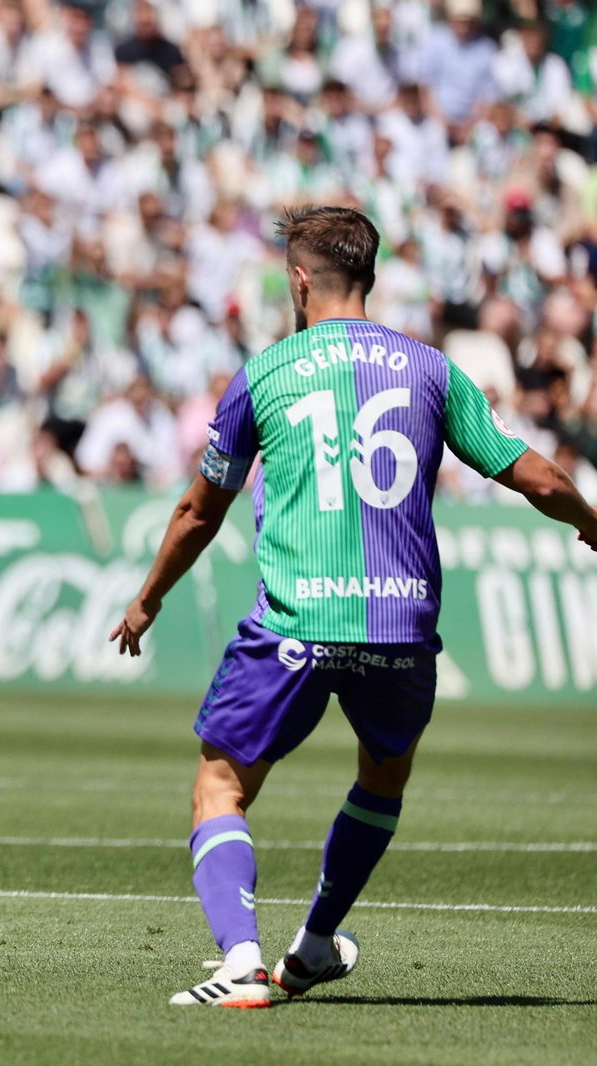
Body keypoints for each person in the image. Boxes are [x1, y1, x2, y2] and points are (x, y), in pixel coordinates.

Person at [108, 206, 597, 1008]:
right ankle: (310, 948)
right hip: (402, 631)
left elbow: (200, 511)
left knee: (220, 784)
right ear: (369, 277)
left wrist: (146, 601)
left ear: (300, 281)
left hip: (296, 626)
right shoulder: (432, 370)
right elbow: (530, 473)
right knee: (383, 775)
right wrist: (591, 522)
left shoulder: (265, 374)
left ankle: (241, 962)